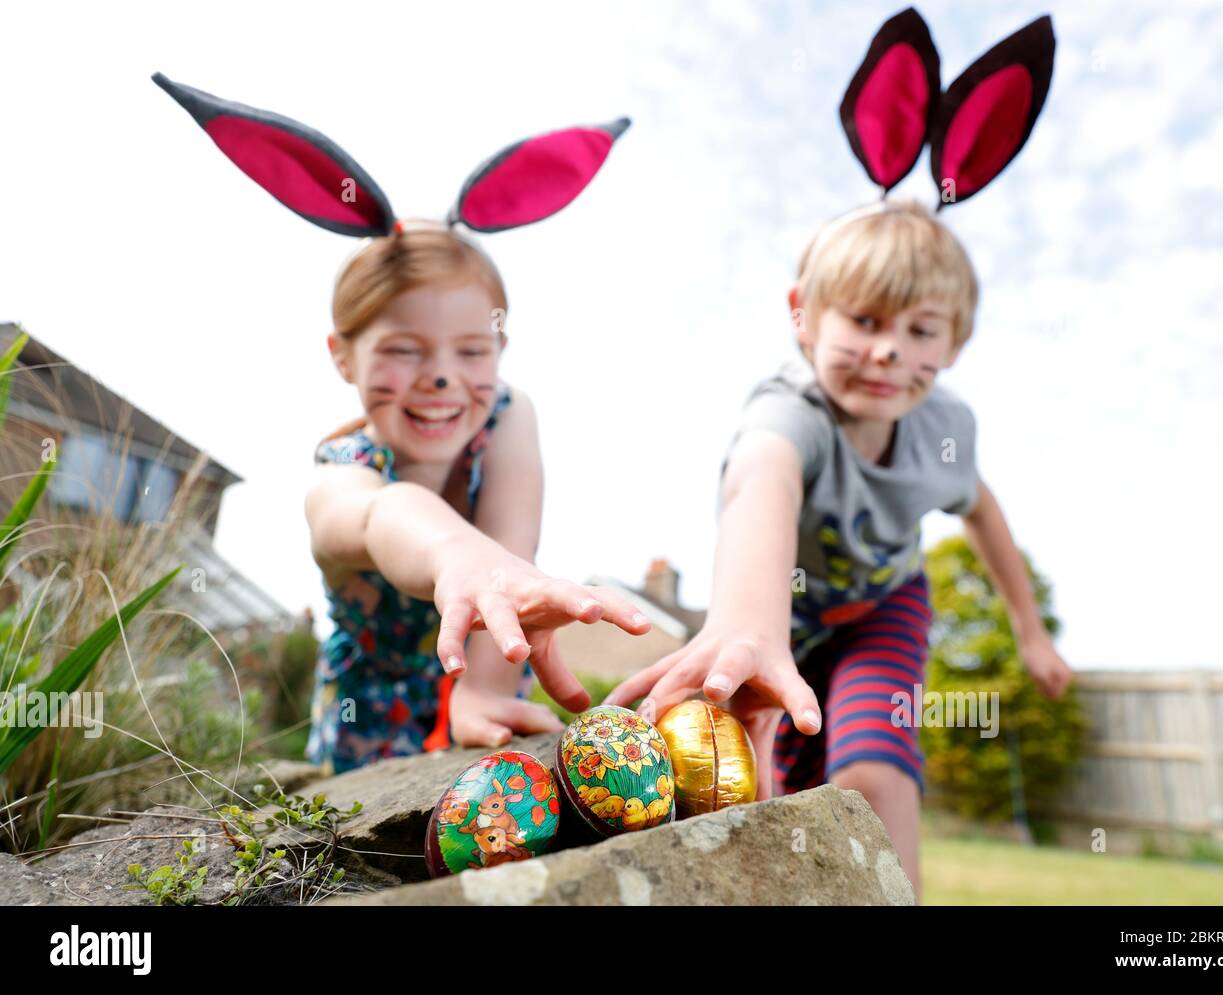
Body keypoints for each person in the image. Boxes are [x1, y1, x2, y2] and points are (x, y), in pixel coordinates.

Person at [605, 9, 1071, 902]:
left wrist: (1029, 625)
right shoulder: (792, 410)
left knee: (874, 766)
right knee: (755, 768)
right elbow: (761, 485)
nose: (889, 350)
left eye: (920, 329)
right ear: (804, 317)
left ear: (956, 342)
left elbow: (982, 509)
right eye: (863, 321)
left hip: (882, 608)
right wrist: (747, 624)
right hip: (773, 606)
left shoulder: (943, 426)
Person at [152, 73, 645, 774]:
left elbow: (511, 541)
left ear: (499, 348)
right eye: (403, 350)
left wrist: (481, 690)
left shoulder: (508, 414)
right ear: (343, 358)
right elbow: (384, 512)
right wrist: (455, 556)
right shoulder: (341, 474)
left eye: (471, 351)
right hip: (370, 709)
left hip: (489, 669)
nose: (441, 376)